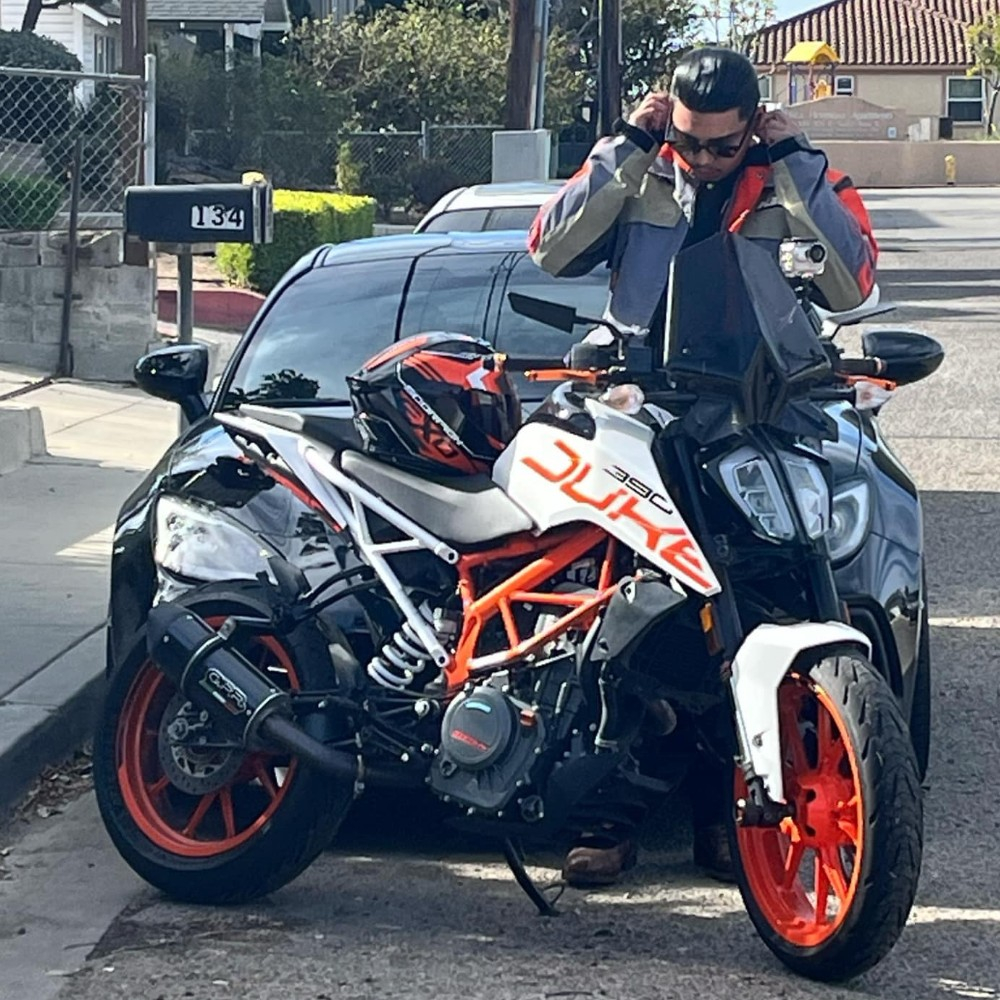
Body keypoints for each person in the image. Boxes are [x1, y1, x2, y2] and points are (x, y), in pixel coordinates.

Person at [527, 47, 878, 888]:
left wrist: (794, 161)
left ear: (754, 124)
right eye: (690, 141)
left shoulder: (790, 174)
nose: (706, 158)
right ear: (669, 122)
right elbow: (549, 250)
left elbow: (853, 283)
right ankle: (608, 818)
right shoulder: (638, 170)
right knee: (623, 611)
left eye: (724, 144)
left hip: (758, 416)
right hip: (642, 413)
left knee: (757, 609)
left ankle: (732, 814)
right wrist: (625, 145)